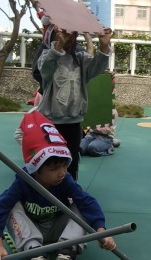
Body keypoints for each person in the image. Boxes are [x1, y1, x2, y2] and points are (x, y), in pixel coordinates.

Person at [0, 111, 116, 260]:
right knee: (11, 206)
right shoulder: (23, 181)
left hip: (60, 229)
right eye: (54, 169)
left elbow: (88, 202)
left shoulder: (65, 180)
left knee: (81, 204)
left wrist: (101, 231)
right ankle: (34, 252)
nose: (62, 172)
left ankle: (67, 250)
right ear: (35, 169)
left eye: (64, 165)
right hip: (32, 229)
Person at [37, 26, 113, 179]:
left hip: (73, 122)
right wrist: (59, 44)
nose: (69, 37)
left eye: (73, 34)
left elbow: (97, 67)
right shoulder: (47, 56)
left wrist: (104, 46)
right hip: (51, 123)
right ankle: (47, 191)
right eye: (65, 33)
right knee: (51, 162)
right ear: (55, 35)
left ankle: (70, 190)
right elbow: (45, 69)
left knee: (71, 161)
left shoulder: (80, 58)